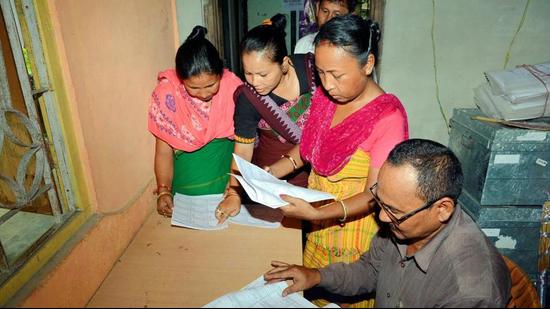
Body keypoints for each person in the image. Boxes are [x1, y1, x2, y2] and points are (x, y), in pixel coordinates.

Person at [263, 15, 408, 307]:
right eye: (320, 73)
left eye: (337, 75)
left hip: (354, 237)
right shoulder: (325, 100)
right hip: (319, 229)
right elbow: (307, 150)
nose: (328, 84)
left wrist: (318, 214)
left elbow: (375, 194)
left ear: (368, 64)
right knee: (313, 293)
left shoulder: (388, 117)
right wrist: (269, 173)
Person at [264, 139, 512, 308]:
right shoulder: (403, 225)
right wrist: (316, 276)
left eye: (394, 210)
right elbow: (370, 270)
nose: (382, 217)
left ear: (442, 209)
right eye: (379, 202)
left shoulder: (470, 289)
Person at [215, 14, 318, 224]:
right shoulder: (248, 98)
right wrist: (234, 194)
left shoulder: (314, 71)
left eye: (263, 74)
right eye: (248, 73)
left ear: (285, 64)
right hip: (272, 177)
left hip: (320, 175)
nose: (255, 82)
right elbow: (243, 151)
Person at [148, 26, 242, 217]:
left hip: (229, 186)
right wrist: (164, 190)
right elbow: (164, 150)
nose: (205, 94)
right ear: (181, 80)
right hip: (185, 194)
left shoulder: (232, 89)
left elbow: (244, 145)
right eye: (194, 88)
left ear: (220, 74)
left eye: (211, 85)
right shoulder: (169, 96)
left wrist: (235, 187)